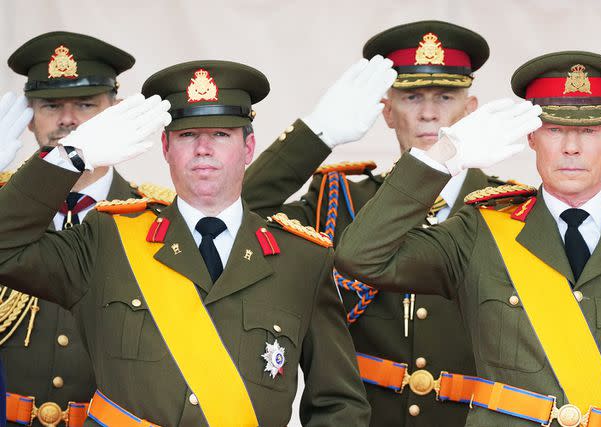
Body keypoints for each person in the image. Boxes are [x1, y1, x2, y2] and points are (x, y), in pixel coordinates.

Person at [0, 59, 370, 426]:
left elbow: (340, 404)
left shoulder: (302, 259)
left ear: (249, 147)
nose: (204, 148)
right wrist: (70, 158)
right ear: (165, 146)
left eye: (222, 134)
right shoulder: (108, 237)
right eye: (188, 135)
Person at [335, 51, 601, 426]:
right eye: (555, 129)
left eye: (589, 131)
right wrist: (442, 158)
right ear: (531, 137)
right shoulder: (482, 230)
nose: (571, 148)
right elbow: (360, 256)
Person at [244, 20, 501, 425]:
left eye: (446, 96)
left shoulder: (504, 211)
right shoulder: (338, 203)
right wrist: (315, 135)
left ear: (471, 110)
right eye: (413, 96)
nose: (430, 113)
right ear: (387, 112)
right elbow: (238, 214)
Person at [0, 31, 170, 427]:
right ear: (29, 117)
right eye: (51, 105)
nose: (68, 119)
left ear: (117, 108)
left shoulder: (155, 218)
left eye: (86, 104)